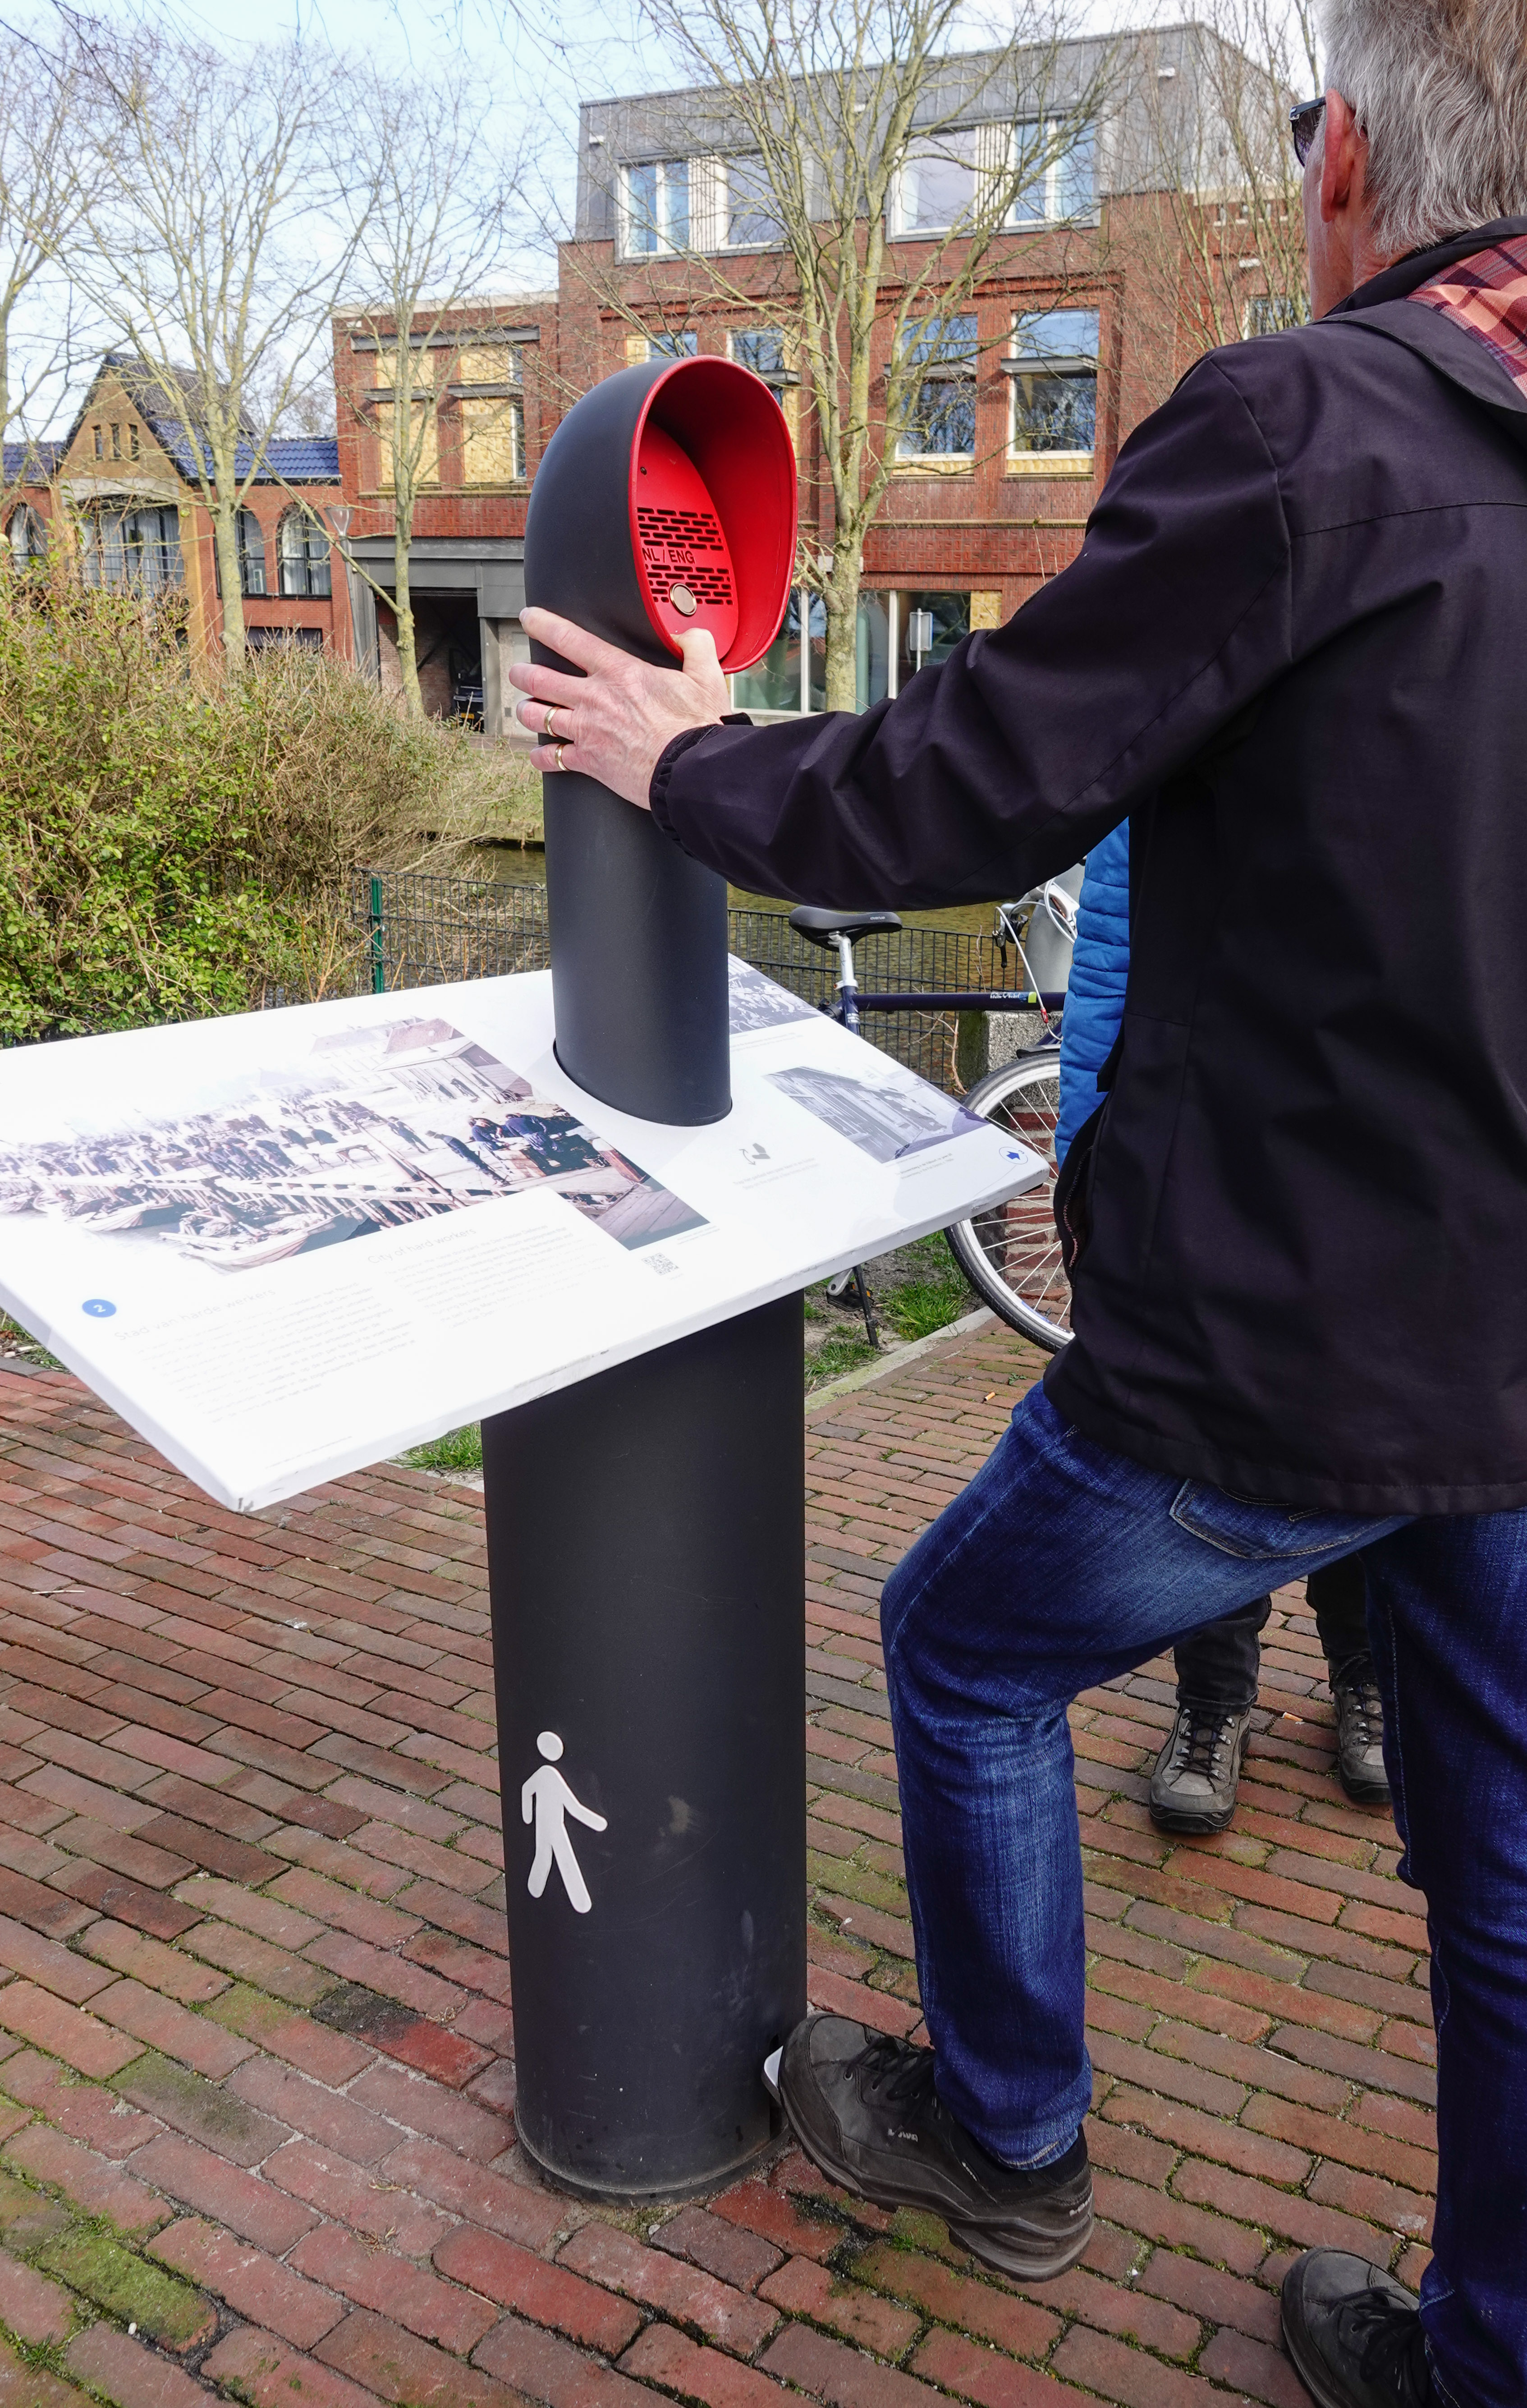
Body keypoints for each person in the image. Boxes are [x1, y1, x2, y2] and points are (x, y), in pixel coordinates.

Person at [510, 2, 1527, 2393]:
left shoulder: (1302, 430)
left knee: (964, 1645)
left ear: (1347, 169)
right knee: (1503, 1865)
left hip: (1288, 1332)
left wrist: (687, 759)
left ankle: (1006, 2131)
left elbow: (974, 780)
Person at [1059, 826, 1389, 1831]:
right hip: (1202, 1171)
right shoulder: (1167, 765)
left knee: (1359, 1453)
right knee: (1202, 1457)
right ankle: (1211, 1705)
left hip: (1377, 1173)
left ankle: (1366, 1682)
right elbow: (1106, 962)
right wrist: (1084, 1178)